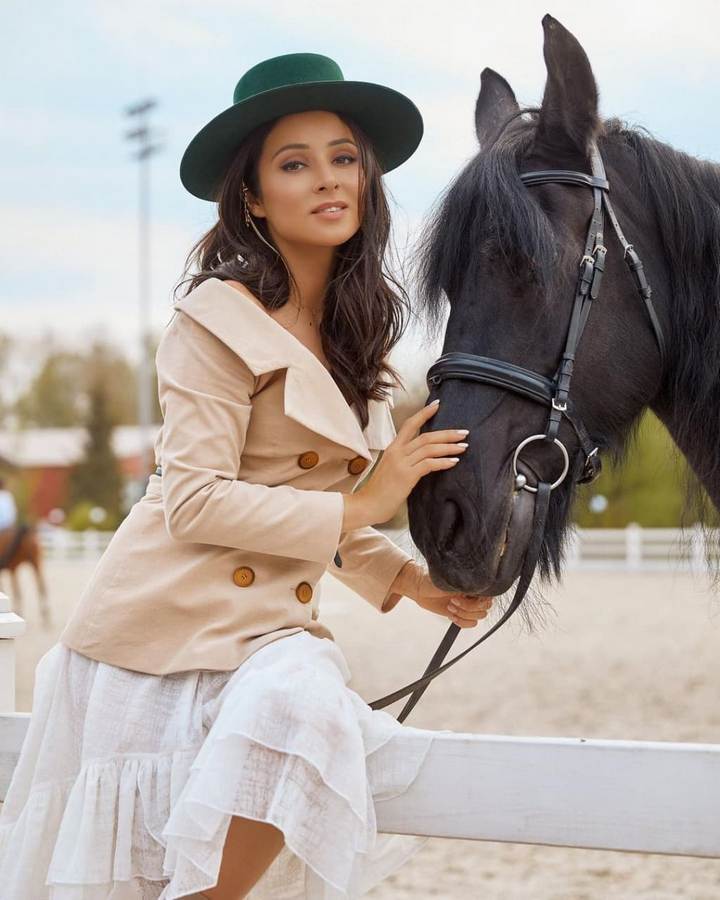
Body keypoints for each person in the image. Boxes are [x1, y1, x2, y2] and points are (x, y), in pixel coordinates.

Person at [0, 53, 493, 899]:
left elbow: (313, 504)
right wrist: (370, 500)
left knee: (304, 703)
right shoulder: (212, 319)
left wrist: (409, 580)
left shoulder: (357, 332)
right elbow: (194, 501)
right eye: (294, 164)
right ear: (254, 198)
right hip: (160, 632)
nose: (328, 178)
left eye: (344, 158)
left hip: (265, 634)